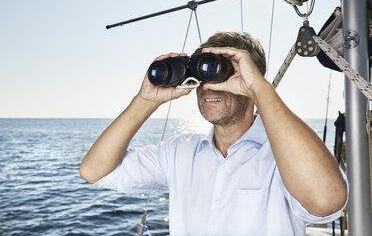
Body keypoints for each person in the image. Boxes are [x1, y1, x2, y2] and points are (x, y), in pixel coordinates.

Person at [80, 30, 348, 236]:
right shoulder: (179, 151)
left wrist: (261, 90)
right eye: (202, 74)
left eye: (219, 71)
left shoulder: (284, 156)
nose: (208, 86)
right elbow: (94, 171)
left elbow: (327, 202)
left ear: (250, 78)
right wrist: (145, 100)